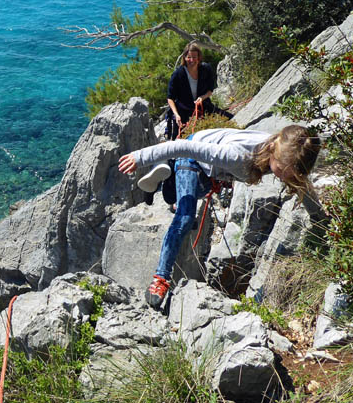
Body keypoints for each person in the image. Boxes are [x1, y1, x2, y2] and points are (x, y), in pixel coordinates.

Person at [118, 125, 321, 308]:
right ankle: (160, 279)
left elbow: (300, 184)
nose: (286, 177)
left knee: (187, 196)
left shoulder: (283, 150)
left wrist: (320, 217)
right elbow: (182, 147)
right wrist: (140, 157)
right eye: (284, 171)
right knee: (185, 217)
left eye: (291, 173)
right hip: (192, 155)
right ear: (273, 155)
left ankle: (168, 175)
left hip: (212, 173)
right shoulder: (235, 156)